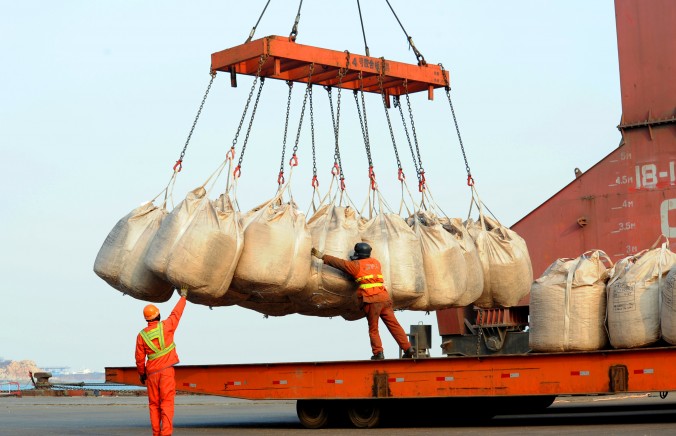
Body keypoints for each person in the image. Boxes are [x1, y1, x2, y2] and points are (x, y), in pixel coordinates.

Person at [311, 243, 415, 360]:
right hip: (384, 298)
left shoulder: (356, 266)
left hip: (372, 300)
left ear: (358, 254)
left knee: (373, 328)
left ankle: (378, 353)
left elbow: (340, 264)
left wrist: (322, 256)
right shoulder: (376, 262)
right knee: (394, 325)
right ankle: (408, 348)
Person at [135, 287, 188, 436]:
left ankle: (156, 433)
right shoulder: (166, 327)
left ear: (146, 319)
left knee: (154, 405)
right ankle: (166, 433)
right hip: (166, 372)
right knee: (167, 404)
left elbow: (139, 358)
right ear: (158, 315)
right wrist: (183, 297)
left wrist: (142, 374)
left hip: (151, 374)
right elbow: (176, 314)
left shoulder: (141, 336)